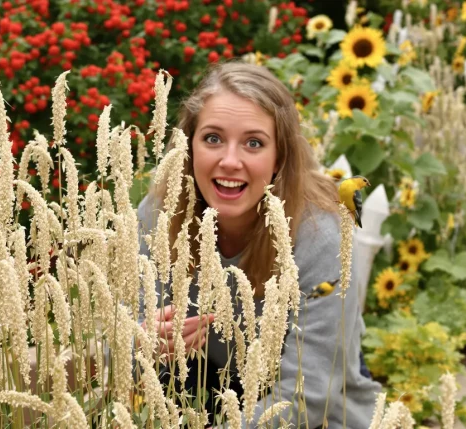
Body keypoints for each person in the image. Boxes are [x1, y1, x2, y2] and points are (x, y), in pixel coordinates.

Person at [136, 62, 381, 428]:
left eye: (254, 143)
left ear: (279, 156)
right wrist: (140, 341)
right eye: (213, 138)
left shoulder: (321, 236)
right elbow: (122, 337)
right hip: (201, 398)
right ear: (189, 146)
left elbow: (308, 393)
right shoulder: (161, 214)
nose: (230, 161)